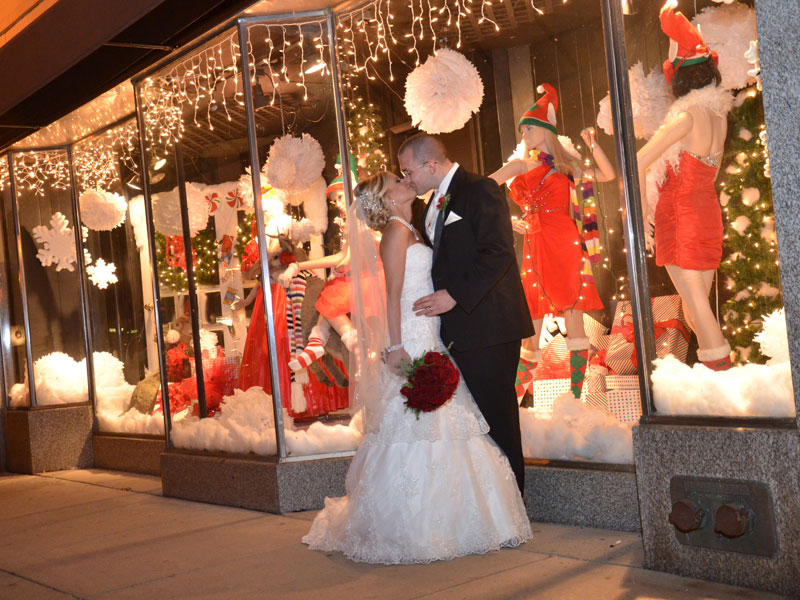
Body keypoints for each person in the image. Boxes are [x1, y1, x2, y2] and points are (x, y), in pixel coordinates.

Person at [302, 172, 531, 564]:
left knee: (448, 421)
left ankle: (457, 518)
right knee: (415, 422)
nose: (405, 180)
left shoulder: (411, 225)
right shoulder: (394, 231)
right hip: (411, 333)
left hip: (432, 330)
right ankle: (414, 525)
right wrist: (394, 346)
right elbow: (391, 294)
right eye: (396, 179)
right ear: (387, 198)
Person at [398, 133, 533, 493]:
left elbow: (499, 252)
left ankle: (515, 502)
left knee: (498, 418)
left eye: (408, 171)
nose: (407, 179)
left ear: (431, 165)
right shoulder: (430, 205)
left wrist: (455, 296)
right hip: (458, 330)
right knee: (477, 422)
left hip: (489, 326)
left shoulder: (480, 189)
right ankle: (494, 505)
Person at [489, 84, 616, 398]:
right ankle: (514, 402)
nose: (525, 136)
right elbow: (484, 189)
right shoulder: (520, 165)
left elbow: (609, 175)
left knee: (575, 320)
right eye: (523, 131)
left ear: (545, 129)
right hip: (535, 247)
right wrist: (507, 220)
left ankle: (576, 399)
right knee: (528, 332)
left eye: (529, 128)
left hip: (567, 246)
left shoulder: (567, 167)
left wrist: (592, 144)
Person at [637, 0, 733, 370]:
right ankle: (718, 386)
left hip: (680, 218)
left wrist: (643, 208)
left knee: (699, 313)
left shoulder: (687, 115)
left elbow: (642, 159)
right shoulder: (719, 115)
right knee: (699, 311)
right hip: (707, 214)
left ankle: (726, 389)